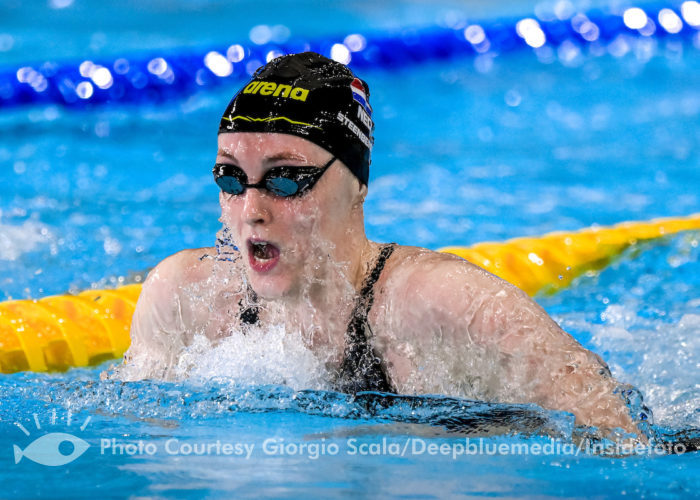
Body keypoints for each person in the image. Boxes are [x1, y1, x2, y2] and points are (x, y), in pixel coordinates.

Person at [122, 52, 643, 437]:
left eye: (285, 180)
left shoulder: (447, 305)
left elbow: (617, 438)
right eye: (232, 179)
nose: (251, 210)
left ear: (357, 184)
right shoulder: (184, 300)